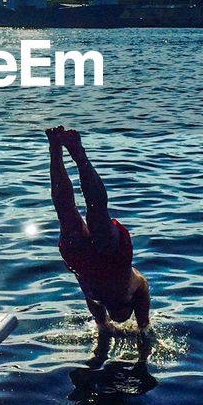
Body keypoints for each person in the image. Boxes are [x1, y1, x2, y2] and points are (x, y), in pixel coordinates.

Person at [46, 126, 150, 337]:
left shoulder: (96, 304)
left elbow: (103, 328)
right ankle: (78, 155)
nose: (120, 317)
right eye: (123, 314)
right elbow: (144, 330)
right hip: (112, 259)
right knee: (95, 211)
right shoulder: (138, 290)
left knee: (67, 211)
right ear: (130, 307)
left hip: (85, 264)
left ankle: (56, 149)